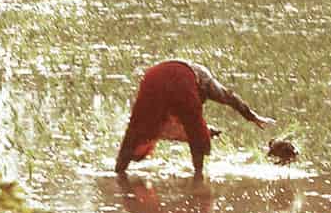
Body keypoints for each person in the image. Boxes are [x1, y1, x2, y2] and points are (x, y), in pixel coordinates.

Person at [114, 59, 274, 178]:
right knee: (196, 130)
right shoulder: (204, 80)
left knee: (136, 127)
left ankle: (119, 171)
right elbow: (229, 97)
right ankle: (198, 178)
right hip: (179, 82)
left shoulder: (163, 116)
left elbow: (164, 129)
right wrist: (251, 116)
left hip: (152, 78)